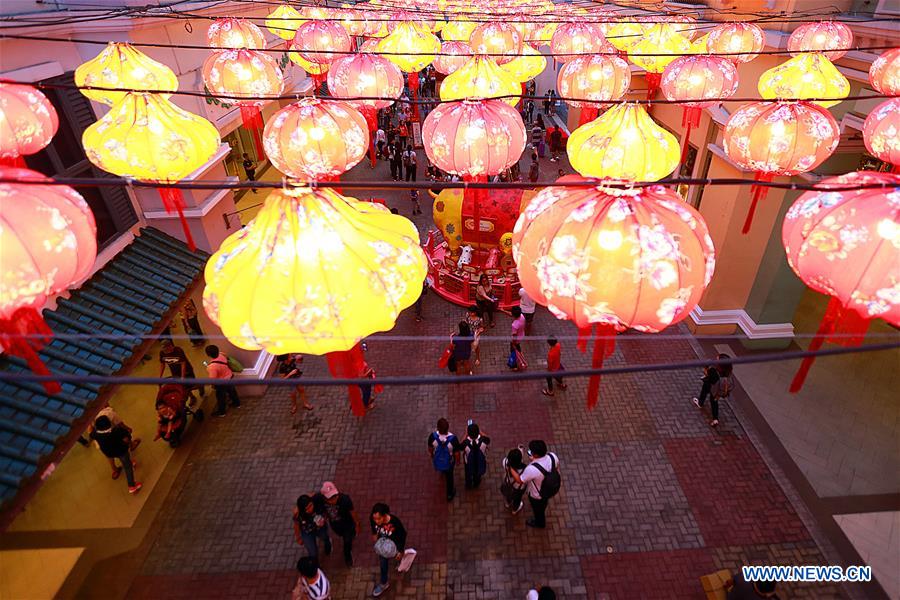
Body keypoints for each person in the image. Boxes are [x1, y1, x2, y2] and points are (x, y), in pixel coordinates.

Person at [370, 503, 416, 597]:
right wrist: (375, 536)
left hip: (394, 545)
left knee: (397, 557)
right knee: (383, 563)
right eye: (375, 519)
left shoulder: (395, 522)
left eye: (379, 519)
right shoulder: (373, 519)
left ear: (384, 515)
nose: (376, 521)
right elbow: (374, 529)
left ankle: (401, 561)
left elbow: (403, 535)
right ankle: (384, 583)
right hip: (383, 545)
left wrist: (400, 550)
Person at [90, 415, 142, 494]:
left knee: (124, 461)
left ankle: (130, 465)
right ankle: (132, 486)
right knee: (127, 467)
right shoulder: (116, 431)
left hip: (109, 452)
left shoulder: (95, 434)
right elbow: (127, 438)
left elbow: (91, 433)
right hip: (121, 451)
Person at [315, 482, 360, 567]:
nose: (334, 499)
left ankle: (347, 555)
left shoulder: (345, 500)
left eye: (335, 495)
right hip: (334, 524)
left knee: (347, 541)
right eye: (330, 498)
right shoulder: (319, 498)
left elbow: (352, 512)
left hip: (347, 524)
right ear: (324, 497)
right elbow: (311, 496)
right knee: (341, 534)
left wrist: (357, 524)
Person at [520, 440, 560, 529]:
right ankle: (542, 509)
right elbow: (556, 468)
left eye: (531, 451)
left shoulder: (531, 469)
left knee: (538, 511)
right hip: (548, 490)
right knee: (543, 504)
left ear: (536, 455)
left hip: (537, 495)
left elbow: (521, 480)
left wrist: (510, 468)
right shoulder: (553, 457)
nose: (529, 452)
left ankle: (539, 523)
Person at [158, 338, 202, 403]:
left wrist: (182, 377)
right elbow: (162, 364)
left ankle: (200, 385)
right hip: (175, 373)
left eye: (166, 349)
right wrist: (160, 376)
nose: (165, 351)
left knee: (191, 385)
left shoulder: (178, 350)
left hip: (187, 371)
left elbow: (183, 364)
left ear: (170, 346)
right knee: (183, 387)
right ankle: (192, 397)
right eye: (164, 350)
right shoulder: (162, 353)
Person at [427, 418, 460, 501]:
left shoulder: (432, 437)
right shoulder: (453, 439)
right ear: (448, 428)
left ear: (437, 428)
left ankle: (442, 470)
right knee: (449, 478)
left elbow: (430, 448)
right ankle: (449, 494)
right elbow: (456, 454)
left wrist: (432, 455)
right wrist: (458, 461)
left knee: (442, 467)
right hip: (449, 462)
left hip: (438, 459)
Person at [293, 494, 332, 560]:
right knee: (312, 553)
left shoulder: (317, 500)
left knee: (325, 537)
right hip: (307, 531)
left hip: (319, 528)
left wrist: (324, 519)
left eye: (310, 506)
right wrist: (298, 537)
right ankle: (316, 566)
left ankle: (328, 544)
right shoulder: (298, 515)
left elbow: (326, 511)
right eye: (307, 509)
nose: (310, 509)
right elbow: (296, 525)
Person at [205, 345, 240, 417]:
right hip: (229, 377)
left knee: (220, 397)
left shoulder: (212, 367)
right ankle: (237, 404)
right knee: (232, 391)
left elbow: (212, 379)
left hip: (221, 383)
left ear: (208, 354)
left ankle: (222, 412)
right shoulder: (222, 355)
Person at [461, 421, 490, 489]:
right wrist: (480, 432)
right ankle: (476, 483)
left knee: (468, 473)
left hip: (468, 462)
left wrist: (465, 434)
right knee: (477, 474)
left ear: (469, 434)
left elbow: (461, 445)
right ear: (478, 433)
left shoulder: (466, 443)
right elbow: (488, 439)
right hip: (479, 461)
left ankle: (468, 485)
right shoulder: (483, 440)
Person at [709, 360, 734, 427]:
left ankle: (715, 419)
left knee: (713, 402)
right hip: (722, 392)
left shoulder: (715, 373)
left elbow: (710, 380)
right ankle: (715, 418)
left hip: (715, 391)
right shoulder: (728, 374)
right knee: (715, 401)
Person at [502, 447, 527, 514]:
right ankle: (515, 509)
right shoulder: (524, 469)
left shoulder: (505, 462)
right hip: (519, 488)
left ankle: (508, 503)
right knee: (517, 499)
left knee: (508, 494)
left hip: (508, 482)